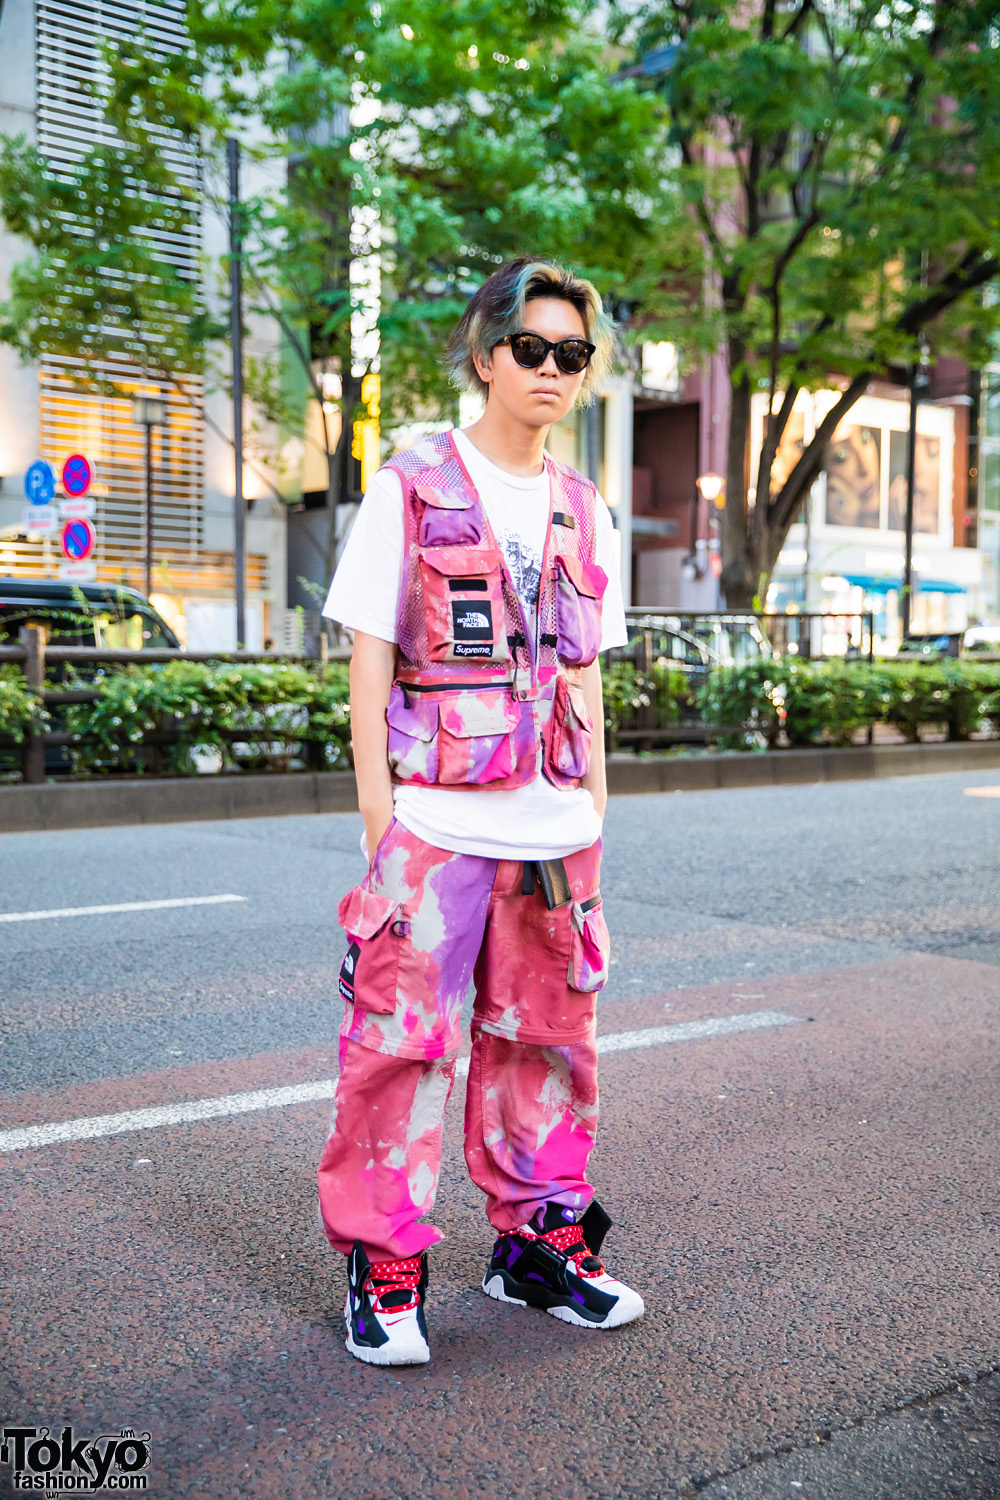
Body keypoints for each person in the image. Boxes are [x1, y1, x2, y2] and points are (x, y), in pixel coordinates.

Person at [317, 257, 645, 1367]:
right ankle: (385, 1261)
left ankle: (536, 1246)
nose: (552, 369)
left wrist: (598, 806)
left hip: (557, 838)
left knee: (548, 1048)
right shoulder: (411, 487)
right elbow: (367, 664)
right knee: (398, 1052)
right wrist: (379, 828)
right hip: (436, 825)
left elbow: (587, 675)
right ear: (485, 354)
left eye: (573, 355)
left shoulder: (586, 508)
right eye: (532, 349)